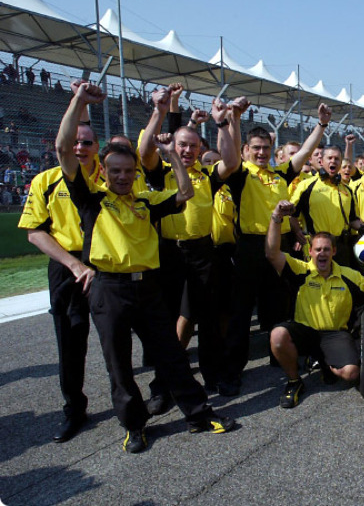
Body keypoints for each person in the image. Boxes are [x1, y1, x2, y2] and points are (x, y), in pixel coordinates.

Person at [55, 82, 235, 453]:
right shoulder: (91, 199)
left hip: (148, 287)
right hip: (109, 289)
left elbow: (184, 194)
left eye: (127, 171)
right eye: (114, 171)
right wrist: (77, 101)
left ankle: (199, 414)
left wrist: (171, 159)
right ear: (102, 172)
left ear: (135, 171)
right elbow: (62, 148)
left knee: (171, 353)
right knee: (118, 364)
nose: (121, 176)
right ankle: (134, 425)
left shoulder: (146, 200)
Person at [136, 86, 241, 407]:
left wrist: (223, 124)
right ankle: (163, 384)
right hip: (168, 253)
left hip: (202, 253)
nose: (187, 151)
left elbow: (232, 162)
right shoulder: (161, 172)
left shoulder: (208, 175)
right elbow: (143, 153)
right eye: (182, 144)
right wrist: (159, 112)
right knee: (167, 323)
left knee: (208, 319)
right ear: (174, 144)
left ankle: (214, 374)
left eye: (193, 146)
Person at [218, 106, 330, 396]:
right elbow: (229, 153)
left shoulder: (280, 173)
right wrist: (235, 119)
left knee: (279, 306)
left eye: (266, 148)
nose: (261, 153)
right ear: (246, 150)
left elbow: (305, 152)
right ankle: (231, 372)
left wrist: (321, 124)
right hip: (250, 247)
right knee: (241, 312)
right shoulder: (241, 173)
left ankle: (278, 356)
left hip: (278, 246)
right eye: (256, 148)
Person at [16, 115, 103, 443]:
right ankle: (74, 409)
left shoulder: (112, 177)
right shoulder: (45, 181)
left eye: (87, 142)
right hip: (69, 269)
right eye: (75, 141)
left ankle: (139, 399)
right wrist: (73, 264)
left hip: (108, 265)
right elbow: (34, 233)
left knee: (125, 334)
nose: (80, 147)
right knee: (71, 342)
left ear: (97, 147)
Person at [266, 200, 364, 408]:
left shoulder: (350, 275)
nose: (322, 253)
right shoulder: (300, 270)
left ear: (334, 251)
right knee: (278, 335)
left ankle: (324, 362)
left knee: (351, 373)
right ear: (310, 252)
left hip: (335, 334)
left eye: (326, 249)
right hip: (304, 332)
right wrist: (276, 218)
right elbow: (272, 253)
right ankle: (294, 381)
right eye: (317, 250)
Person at [291, 144, 364, 267]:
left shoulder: (348, 190)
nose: (333, 161)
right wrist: (298, 233)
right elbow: (292, 215)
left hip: (341, 247)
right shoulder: (306, 186)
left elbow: (352, 220)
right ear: (321, 161)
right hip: (317, 247)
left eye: (337, 159)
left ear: (340, 163)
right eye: (329, 158)